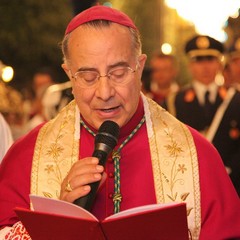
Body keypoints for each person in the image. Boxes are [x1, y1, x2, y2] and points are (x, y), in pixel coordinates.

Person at [0, 6, 239, 240]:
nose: (104, 93)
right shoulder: (28, 154)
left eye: (118, 73)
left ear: (140, 66)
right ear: (68, 73)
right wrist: (54, 220)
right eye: (88, 76)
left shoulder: (197, 154)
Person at [164, 35, 240, 196]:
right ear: (190, 65)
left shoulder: (235, 99)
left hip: (231, 184)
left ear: (219, 63)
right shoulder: (174, 102)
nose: (205, 66)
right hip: (189, 186)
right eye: (199, 60)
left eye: (210, 60)